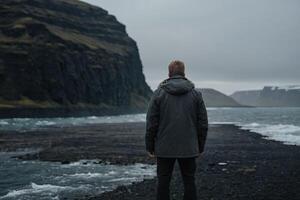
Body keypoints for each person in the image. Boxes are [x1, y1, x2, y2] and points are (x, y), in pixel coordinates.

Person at [145, 60, 208, 200]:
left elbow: (151, 123)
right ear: (184, 73)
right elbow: (203, 124)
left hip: (164, 147)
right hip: (189, 147)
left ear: (169, 73)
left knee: (163, 182)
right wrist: (200, 146)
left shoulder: (158, 94)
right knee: (189, 181)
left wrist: (150, 147)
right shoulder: (196, 95)